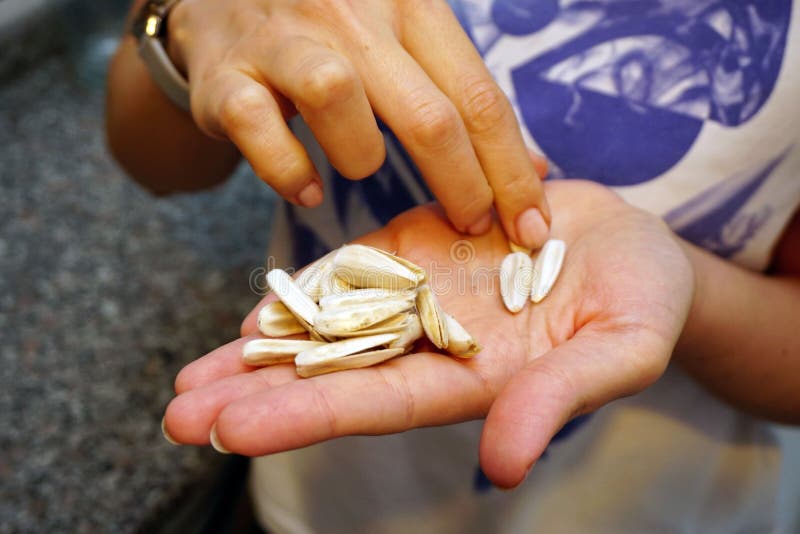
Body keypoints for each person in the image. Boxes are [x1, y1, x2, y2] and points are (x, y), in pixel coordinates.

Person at [107, 0, 800, 531]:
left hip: (663, 504)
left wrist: (686, 289)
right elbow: (152, 160)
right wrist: (189, 24)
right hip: (316, 485)